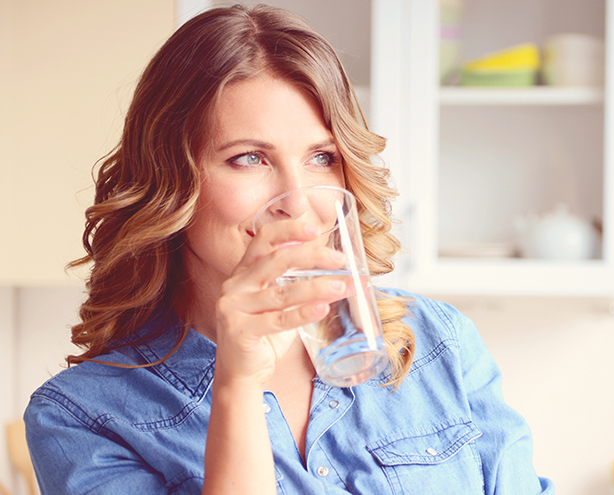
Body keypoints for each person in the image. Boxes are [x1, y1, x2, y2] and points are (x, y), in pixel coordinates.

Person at [24, 4, 554, 494]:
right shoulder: (82, 417)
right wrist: (237, 385)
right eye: (249, 158)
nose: (298, 203)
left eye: (322, 157)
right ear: (169, 181)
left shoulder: (441, 345)